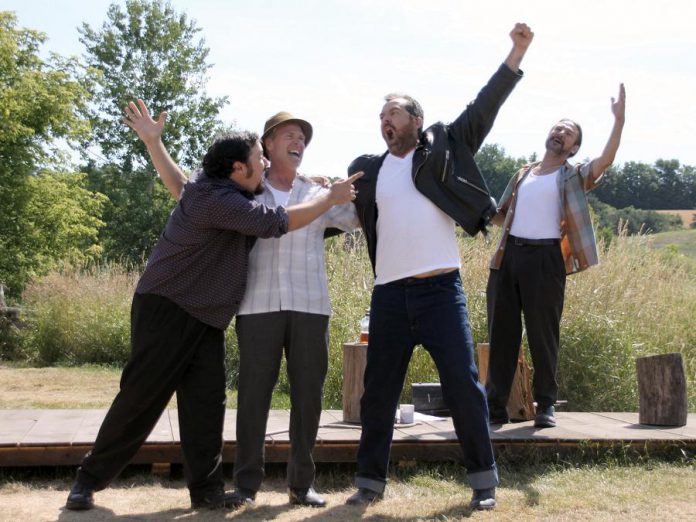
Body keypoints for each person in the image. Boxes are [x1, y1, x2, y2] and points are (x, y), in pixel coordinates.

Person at [64, 100, 361, 512]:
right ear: (239, 169)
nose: (263, 163)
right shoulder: (220, 198)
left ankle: (205, 492)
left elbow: (177, 185)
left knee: (206, 404)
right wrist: (327, 197)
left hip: (208, 316)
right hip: (167, 305)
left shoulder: (224, 189)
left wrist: (154, 143)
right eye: (258, 156)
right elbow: (274, 223)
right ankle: (87, 480)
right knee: (142, 397)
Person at [345, 24, 534, 511]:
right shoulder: (368, 167)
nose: (385, 120)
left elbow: (484, 107)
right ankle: (369, 481)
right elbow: (335, 203)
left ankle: (483, 480)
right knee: (377, 394)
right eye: (380, 115)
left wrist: (515, 54)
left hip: (439, 292)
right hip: (388, 295)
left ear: (416, 119)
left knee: (464, 387)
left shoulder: (445, 146)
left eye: (393, 112)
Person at [150, 108, 359, 507]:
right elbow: (183, 189)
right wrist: (154, 142)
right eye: (289, 135)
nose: (298, 142)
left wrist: (356, 191)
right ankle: (247, 484)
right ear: (267, 145)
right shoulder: (242, 193)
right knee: (253, 396)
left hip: (311, 304)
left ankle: (302, 484)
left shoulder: (320, 194)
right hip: (256, 305)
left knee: (308, 396)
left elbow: (356, 218)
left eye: (303, 137)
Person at [486, 84, 626, 429]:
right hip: (508, 259)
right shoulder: (523, 173)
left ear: (574, 147)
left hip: (546, 260)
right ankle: (494, 408)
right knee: (501, 334)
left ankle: (546, 405)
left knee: (542, 334)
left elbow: (605, 161)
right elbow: (501, 215)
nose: (560, 132)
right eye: (558, 127)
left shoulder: (573, 176)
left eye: (569, 132)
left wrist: (618, 122)